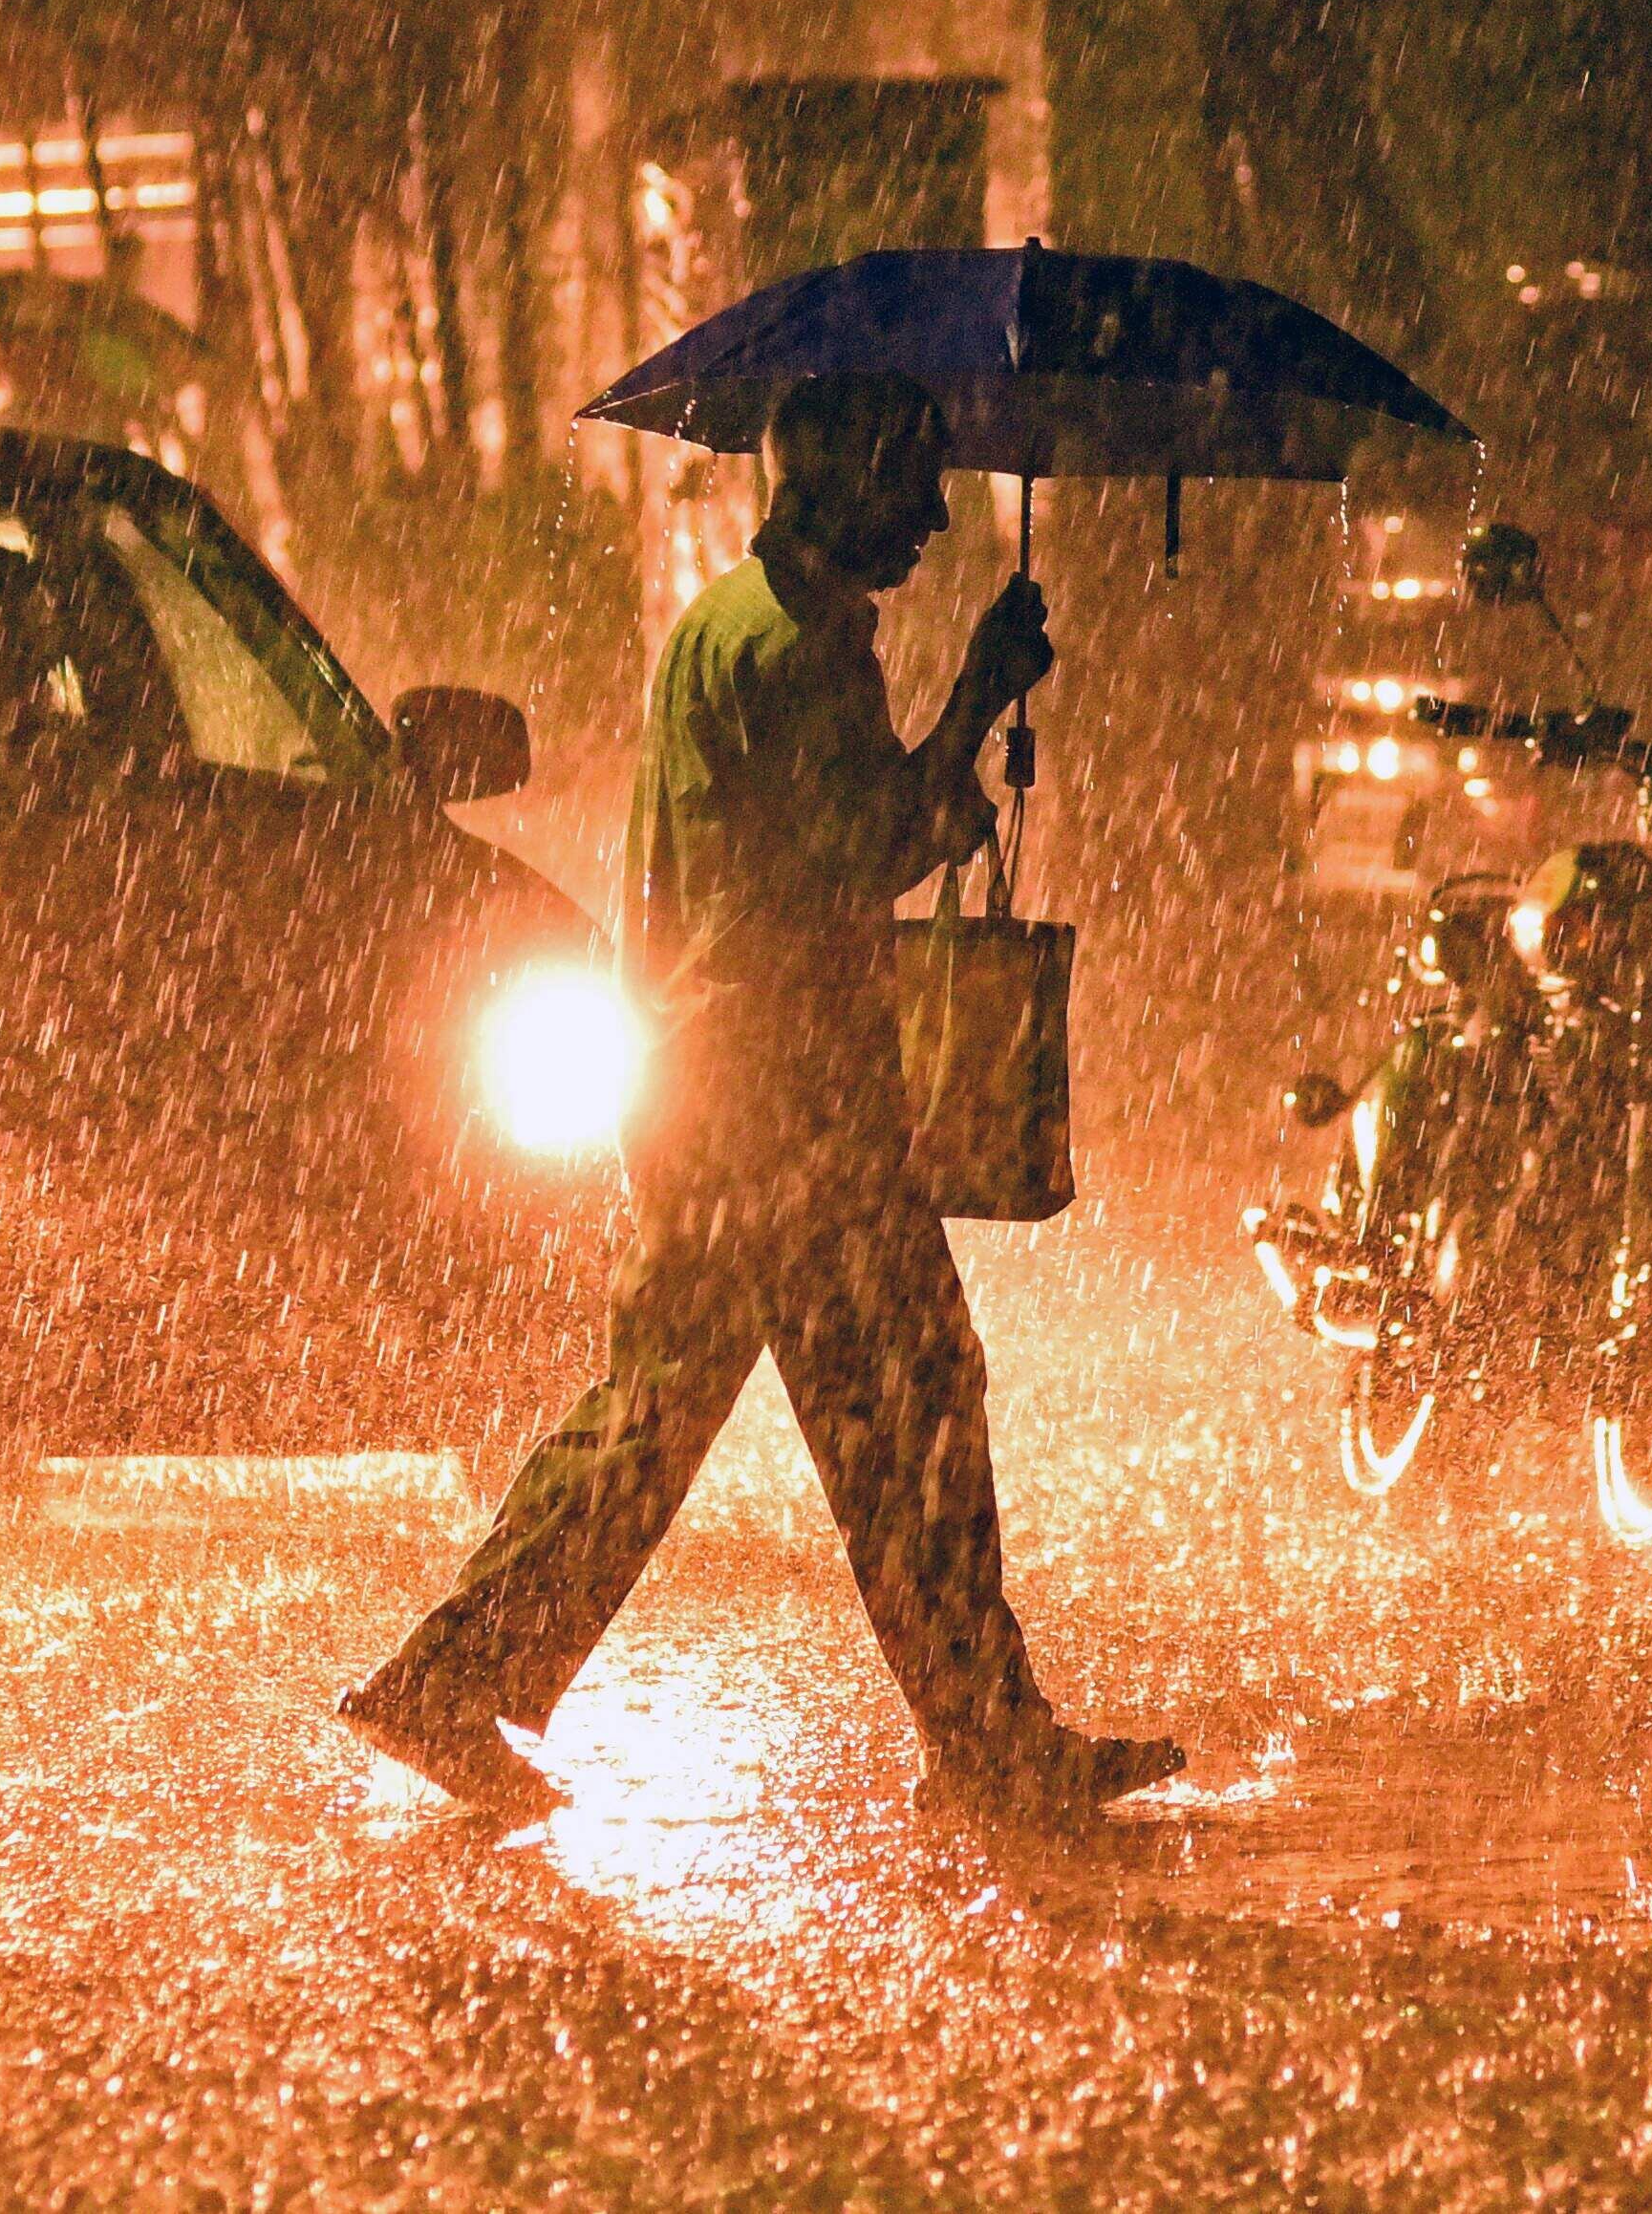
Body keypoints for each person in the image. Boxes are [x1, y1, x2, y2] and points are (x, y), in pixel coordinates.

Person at [337, 372, 1185, 1826]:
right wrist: (977, 696)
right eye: (909, 477)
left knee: (668, 1411)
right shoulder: (800, 653)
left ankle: (452, 1678)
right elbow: (851, 853)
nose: (927, 516)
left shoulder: (727, 628)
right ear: (828, 477)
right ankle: (986, 1743)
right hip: (781, 1093)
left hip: (702, 1080)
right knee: (907, 1401)